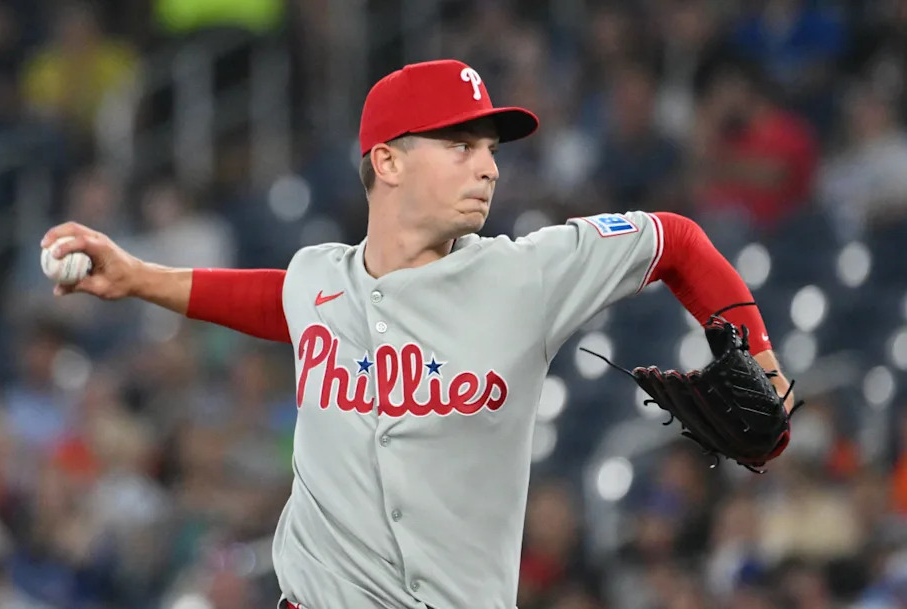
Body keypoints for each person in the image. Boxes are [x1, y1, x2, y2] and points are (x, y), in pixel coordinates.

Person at [41, 59, 795, 609]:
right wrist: (138, 277)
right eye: (462, 145)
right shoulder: (319, 277)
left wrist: (758, 352)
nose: (488, 169)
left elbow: (677, 241)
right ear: (389, 160)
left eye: (492, 150)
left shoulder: (524, 275)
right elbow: (282, 300)